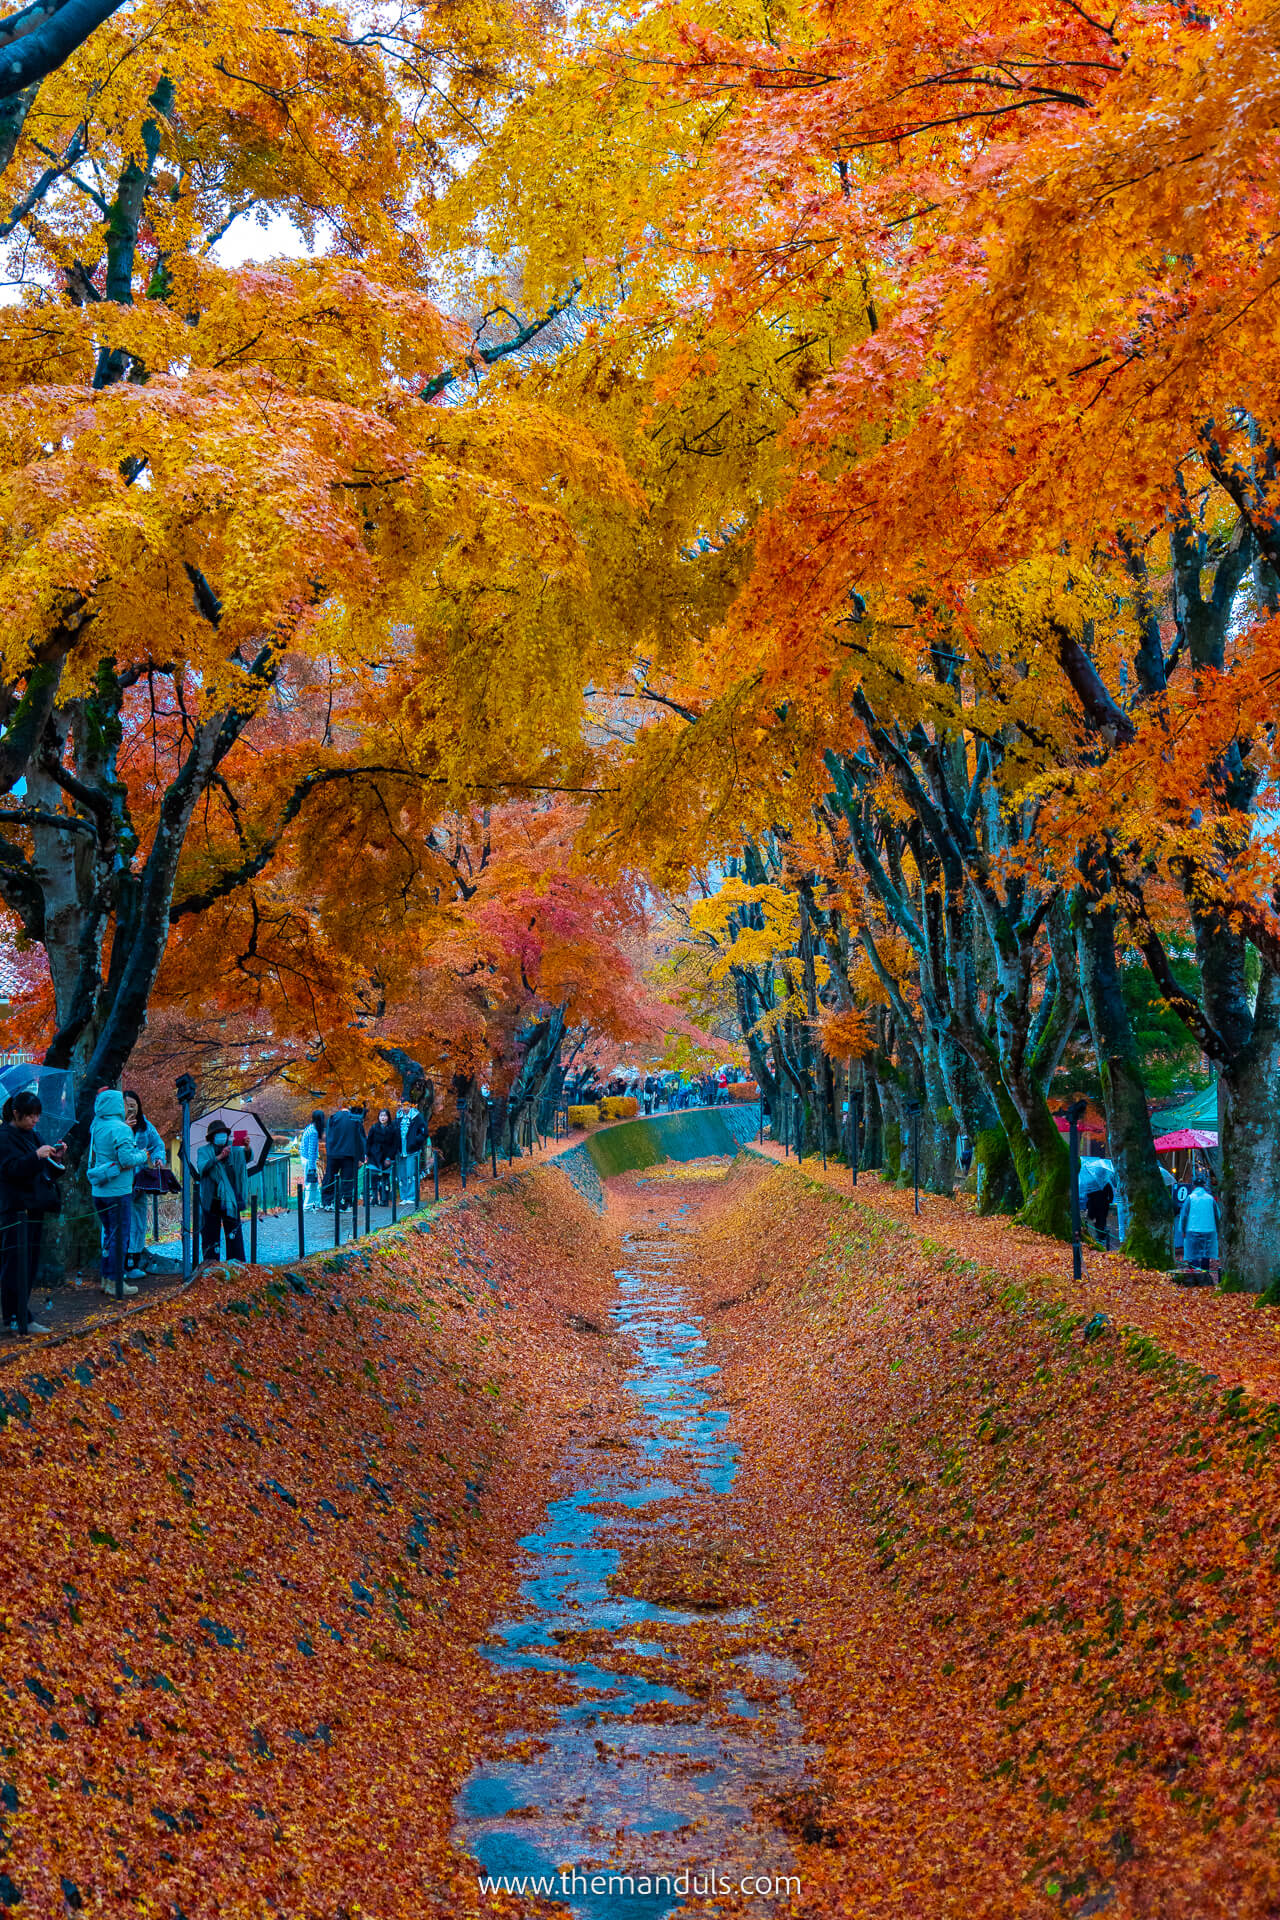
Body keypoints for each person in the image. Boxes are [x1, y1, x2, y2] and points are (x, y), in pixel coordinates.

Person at [0, 1092, 62, 1334]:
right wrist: (35, 1156)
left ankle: (19, 1314)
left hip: (34, 1206)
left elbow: (43, 1169)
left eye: (37, 1115)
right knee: (15, 1264)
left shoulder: (33, 1135)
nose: (35, 1120)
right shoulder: (4, 1137)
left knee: (29, 1263)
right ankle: (16, 1316)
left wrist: (56, 1158)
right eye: (30, 1115)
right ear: (16, 1113)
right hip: (16, 1210)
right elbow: (10, 1169)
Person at [88, 1087, 150, 1299]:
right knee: (120, 1237)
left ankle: (106, 1278)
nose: (125, 1107)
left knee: (109, 1235)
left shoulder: (96, 1126)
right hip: (118, 1191)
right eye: (122, 1103)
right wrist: (142, 1155)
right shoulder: (121, 1129)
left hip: (99, 1191)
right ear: (115, 1105)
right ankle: (116, 1282)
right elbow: (126, 1160)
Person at [122, 1090, 167, 1280]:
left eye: (134, 1105)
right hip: (119, 1182)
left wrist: (158, 1159)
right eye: (127, 1104)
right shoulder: (114, 1125)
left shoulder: (145, 1126)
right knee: (120, 1222)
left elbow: (157, 1145)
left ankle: (133, 1261)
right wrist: (123, 1128)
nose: (131, 1108)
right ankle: (116, 1266)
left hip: (139, 1183)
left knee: (138, 1222)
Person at [196, 1121, 249, 1263]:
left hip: (231, 1199)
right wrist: (219, 1157)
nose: (222, 1136)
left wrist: (247, 1147)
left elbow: (245, 1159)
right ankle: (211, 1265)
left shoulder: (235, 1149)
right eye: (218, 1133)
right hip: (211, 1199)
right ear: (212, 1136)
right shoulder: (203, 1151)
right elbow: (202, 1167)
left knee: (234, 1235)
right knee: (210, 1236)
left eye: (224, 1133)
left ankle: (236, 1264)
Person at [324, 1102, 366, 1209]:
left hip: (333, 1154)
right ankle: (345, 1203)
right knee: (347, 1180)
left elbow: (328, 1137)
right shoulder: (355, 1119)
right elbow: (360, 1139)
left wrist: (329, 1152)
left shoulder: (333, 1118)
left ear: (340, 1107)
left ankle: (328, 1202)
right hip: (349, 1154)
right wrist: (361, 1157)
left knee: (330, 1178)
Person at [1178, 1175, 1221, 1273]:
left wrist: (1183, 1230)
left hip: (1192, 1229)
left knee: (1193, 1254)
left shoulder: (1190, 1198)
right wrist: (1217, 1230)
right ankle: (1205, 1273)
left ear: (1194, 1186)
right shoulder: (1210, 1199)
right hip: (1209, 1230)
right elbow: (1217, 1215)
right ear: (1204, 1186)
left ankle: (1196, 1274)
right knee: (1206, 1254)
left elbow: (1184, 1215)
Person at [365, 1107, 398, 1205]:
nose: (382, 1118)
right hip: (374, 1155)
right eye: (381, 1116)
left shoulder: (393, 1129)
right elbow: (369, 1142)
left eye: (384, 1116)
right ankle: (374, 1198)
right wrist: (366, 1154)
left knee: (385, 1178)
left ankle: (384, 1199)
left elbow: (395, 1145)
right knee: (374, 1177)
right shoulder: (374, 1128)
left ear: (388, 1117)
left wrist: (389, 1157)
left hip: (387, 1156)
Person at [397, 1102, 428, 1203]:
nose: (404, 1108)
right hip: (400, 1150)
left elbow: (424, 1132)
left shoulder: (417, 1117)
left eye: (406, 1105)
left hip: (412, 1150)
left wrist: (415, 1141)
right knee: (402, 1174)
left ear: (410, 1105)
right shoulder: (398, 1117)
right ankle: (404, 1196)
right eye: (402, 1106)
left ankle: (412, 1196)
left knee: (411, 1173)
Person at [300, 1110, 324, 1209]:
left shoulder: (309, 1128)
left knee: (313, 1182)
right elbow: (311, 1151)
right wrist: (311, 1167)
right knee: (310, 1182)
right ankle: (308, 1205)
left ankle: (316, 1203)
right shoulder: (314, 1132)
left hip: (305, 1158)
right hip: (309, 1160)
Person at [1083, 1179, 1114, 1251]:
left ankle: (1099, 1235)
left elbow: (1088, 1194)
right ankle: (1100, 1235)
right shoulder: (1106, 1183)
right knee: (1102, 1220)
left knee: (1096, 1220)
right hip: (1103, 1204)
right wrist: (1109, 1201)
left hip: (1094, 1205)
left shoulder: (1092, 1183)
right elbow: (1111, 1194)